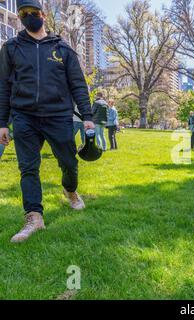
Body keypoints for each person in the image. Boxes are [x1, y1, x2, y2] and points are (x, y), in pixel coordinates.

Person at [0, 0, 94, 243]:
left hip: (58, 115)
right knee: (28, 168)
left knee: (69, 163)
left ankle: (70, 191)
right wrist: (2, 122)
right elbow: (3, 86)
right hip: (24, 116)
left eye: (33, 12)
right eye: (23, 13)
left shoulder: (63, 49)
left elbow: (78, 85)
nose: (28, 16)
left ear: (43, 15)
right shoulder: (11, 48)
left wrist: (88, 118)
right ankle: (34, 217)